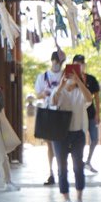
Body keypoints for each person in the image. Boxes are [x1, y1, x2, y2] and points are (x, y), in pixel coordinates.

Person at [50, 60, 93, 202]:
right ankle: (66, 199)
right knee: (62, 167)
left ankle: (79, 198)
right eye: (69, 75)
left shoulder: (80, 92)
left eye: (74, 75)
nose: (71, 78)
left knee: (78, 166)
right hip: (60, 134)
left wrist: (78, 81)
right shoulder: (58, 90)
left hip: (77, 133)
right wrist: (61, 85)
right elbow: (53, 102)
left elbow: (89, 99)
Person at [33, 50, 65, 185]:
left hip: (62, 111)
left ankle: (61, 171)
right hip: (48, 112)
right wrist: (44, 94)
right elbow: (37, 94)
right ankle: (51, 171)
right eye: (56, 61)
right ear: (52, 61)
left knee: (61, 144)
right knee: (50, 145)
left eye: (60, 62)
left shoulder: (65, 75)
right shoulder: (43, 76)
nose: (57, 64)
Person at [71, 54, 101, 170]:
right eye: (76, 64)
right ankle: (79, 161)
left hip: (90, 113)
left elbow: (97, 97)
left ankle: (88, 161)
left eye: (81, 64)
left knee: (94, 139)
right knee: (80, 139)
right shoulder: (69, 80)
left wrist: (98, 113)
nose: (79, 66)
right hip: (77, 115)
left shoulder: (91, 79)